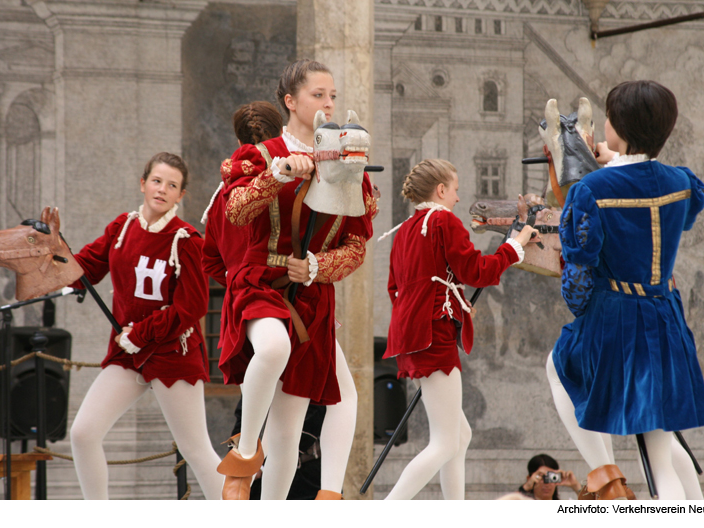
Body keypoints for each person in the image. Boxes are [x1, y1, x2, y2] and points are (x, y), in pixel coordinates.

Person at [215, 59, 376, 500]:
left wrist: (318, 268)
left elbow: (357, 245)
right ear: (290, 101)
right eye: (317, 95)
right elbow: (235, 212)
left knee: (289, 429)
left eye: (332, 96)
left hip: (312, 298)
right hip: (260, 282)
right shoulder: (262, 154)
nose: (328, 103)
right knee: (273, 346)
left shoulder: (347, 164)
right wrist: (278, 174)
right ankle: (243, 459)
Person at [547, 80, 704, 500]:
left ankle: (604, 473)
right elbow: (659, 192)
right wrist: (618, 159)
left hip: (616, 321)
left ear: (617, 124)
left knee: (558, 364)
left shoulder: (591, 191)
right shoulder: (681, 182)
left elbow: (579, 276)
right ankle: (693, 509)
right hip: (665, 318)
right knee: (659, 444)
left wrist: (581, 309)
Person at [68, 152, 223, 500]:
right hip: (128, 355)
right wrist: (51, 246)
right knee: (83, 433)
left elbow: (192, 306)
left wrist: (140, 333)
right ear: (143, 183)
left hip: (172, 354)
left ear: (181, 195)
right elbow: (84, 270)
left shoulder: (186, 241)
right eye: (157, 181)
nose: (162, 189)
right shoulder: (122, 227)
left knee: (196, 449)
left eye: (172, 185)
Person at [382, 159, 538, 500]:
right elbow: (476, 272)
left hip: (412, 335)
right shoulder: (443, 221)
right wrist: (515, 246)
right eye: (454, 189)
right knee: (445, 442)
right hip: (433, 335)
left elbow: (394, 288)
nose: (457, 197)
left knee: (459, 436)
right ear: (440, 190)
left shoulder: (406, 228)